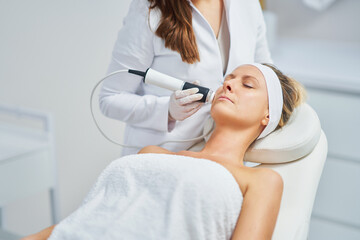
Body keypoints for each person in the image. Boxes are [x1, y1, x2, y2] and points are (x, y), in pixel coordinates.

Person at [22, 63, 305, 239]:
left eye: (248, 84)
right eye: (228, 78)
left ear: (267, 115)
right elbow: (88, 217)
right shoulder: (151, 153)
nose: (228, 84)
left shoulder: (259, 181)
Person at [99, 0, 273, 156]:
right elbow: (110, 98)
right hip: (160, 155)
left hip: (222, 156)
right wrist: (167, 110)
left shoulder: (247, 5)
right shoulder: (149, 9)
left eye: (247, 85)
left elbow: (268, 79)